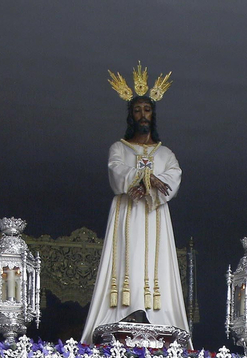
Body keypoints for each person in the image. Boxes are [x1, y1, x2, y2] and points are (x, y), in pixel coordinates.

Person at [81, 64, 189, 340]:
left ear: (154, 114)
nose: (143, 115)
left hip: (155, 215)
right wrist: (141, 179)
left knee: (156, 260)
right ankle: (125, 311)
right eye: (137, 110)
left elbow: (173, 178)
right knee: (127, 256)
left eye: (147, 109)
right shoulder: (119, 148)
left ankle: (156, 314)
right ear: (131, 115)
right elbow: (116, 170)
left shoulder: (166, 153)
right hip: (128, 213)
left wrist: (150, 183)